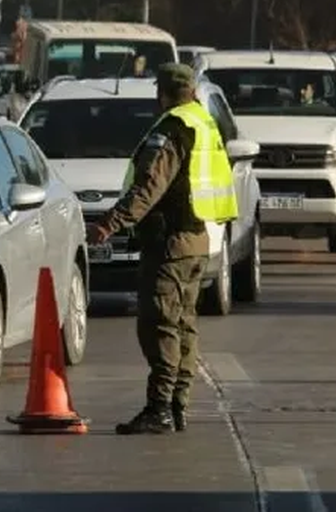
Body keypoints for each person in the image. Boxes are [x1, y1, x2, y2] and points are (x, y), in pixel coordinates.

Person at [85, 63, 238, 435]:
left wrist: (108, 224)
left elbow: (147, 189)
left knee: (159, 327)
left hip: (170, 245)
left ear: (163, 94)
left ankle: (160, 409)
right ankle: (177, 405)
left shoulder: (173, 129)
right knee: (184, 327)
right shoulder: (203, 122)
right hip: (197, 241)